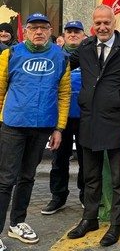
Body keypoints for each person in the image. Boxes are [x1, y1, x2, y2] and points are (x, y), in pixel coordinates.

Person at [66, 5, 120, 248]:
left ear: (114, 22)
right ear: (93, 24)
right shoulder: (85, 48)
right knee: (90, 176)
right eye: (97, 23)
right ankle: (90, 218)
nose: (102, 27)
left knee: (118, 178)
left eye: (106, 22)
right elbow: (63, 62)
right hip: (89, 121)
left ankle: (116, 224)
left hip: (118, 123)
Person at [0, 13, 71, 251]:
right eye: (33, 28)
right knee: (5, 180)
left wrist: (59, 128)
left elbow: (63, 95)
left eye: (43, 28)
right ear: (26, 31)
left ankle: (17, 223)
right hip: (12, 126)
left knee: (27, 177)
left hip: (42, 128)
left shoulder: (61, 57)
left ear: (50, 31)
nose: (38, 32)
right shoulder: (9, 54)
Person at [41, 21, 86, 215]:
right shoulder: (55, 56)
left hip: (86, 116)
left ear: (84, 35)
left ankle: (87, 196)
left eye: (77, 31)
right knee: (59, 158)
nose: (73, 34)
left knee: (87, 159)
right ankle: (58, 197)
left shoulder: (91, 56)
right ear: (64, 35)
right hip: (61, 117)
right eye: (69, 32)